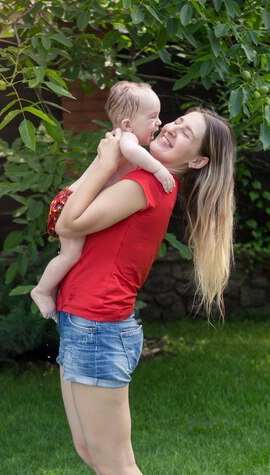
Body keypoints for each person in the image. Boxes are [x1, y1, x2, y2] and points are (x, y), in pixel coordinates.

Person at [54, 108, 236, 475]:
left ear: (197, 161)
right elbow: (67, 218)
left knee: (116, 461)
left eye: (187, 134)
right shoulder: (141, 176)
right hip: (82, 320)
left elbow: (68, 220)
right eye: (177, 120)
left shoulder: (148, 185)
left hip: (99, 327)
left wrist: (100, 160)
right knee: (91, 451)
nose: (172, 128)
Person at [31, 81, 175, 320]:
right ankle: (42, 291)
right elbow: (132, 153)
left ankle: (53, 293)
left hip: (73, 201)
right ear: (128, 123)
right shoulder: (125, 139)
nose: (159, 123)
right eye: (153, 117)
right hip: (70, 204)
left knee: (71, 255)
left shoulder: (124, 140)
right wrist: (159, 169)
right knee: (70, 255)